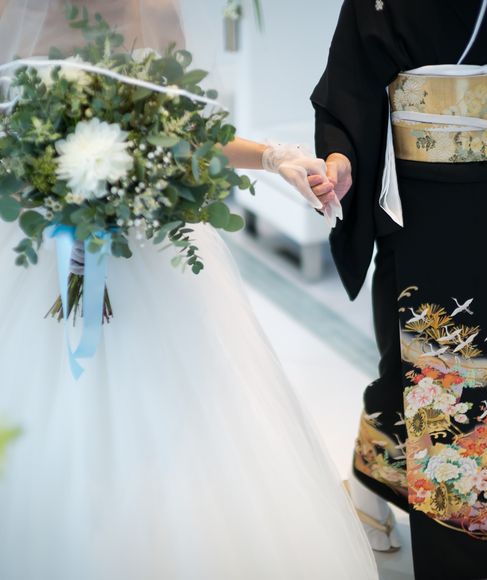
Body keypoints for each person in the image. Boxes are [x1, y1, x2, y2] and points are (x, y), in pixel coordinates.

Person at [0, 1, 376, 579]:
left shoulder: (152, 9)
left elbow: (188, 134)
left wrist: (274, 157)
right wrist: (49, 185)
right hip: (35, 252)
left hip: (149, 256)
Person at [310, 1, 487, 579]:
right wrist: (340, 157)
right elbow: (350, 83)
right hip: (418, 200)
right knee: (420, 366)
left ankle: (439, 536)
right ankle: (433, 541)